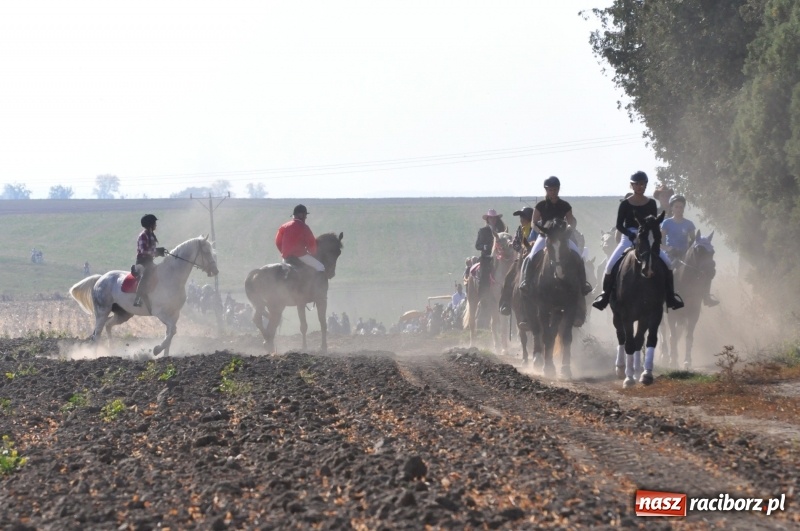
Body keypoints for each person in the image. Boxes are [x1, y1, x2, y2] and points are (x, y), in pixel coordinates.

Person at [592, 171, 684, 311]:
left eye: (642, 184)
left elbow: (653, 223)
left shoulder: (651, 203)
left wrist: (653, 238)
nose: (640, 186)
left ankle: (671, 297)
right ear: (632, 185)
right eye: (636, 184)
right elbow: (619, 225)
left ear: (645, 185)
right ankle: (605, 296)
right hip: (628, 237)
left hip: (647, 237)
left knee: (668, 263)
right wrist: (630, 234)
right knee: (609, 266)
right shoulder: (625, 204)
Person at [518, 177, 592, 325]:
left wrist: (569, 228)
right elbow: (533, 222)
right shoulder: (540, 205)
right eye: (550, 189)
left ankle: (583, 284)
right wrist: (541, 230)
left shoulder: (565, 205)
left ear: (558, 189)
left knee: (578, 255)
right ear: (546, 190)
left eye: (555, 189)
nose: (553, 192)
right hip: (545, 236)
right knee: (530, 257)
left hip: (561, 237)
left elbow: (571, 221)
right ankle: (526, 281)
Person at [661, 195, 719, 306]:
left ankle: (706, 296)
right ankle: (663, 297)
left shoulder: (689, 224)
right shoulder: (666, 223)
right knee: (665, 271)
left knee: (705, 270)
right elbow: (659, 243)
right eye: (676, 207)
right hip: (670, 254)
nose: (679, 209)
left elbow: (694, 241)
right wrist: (670, 249)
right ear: (672, 208)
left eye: (681, 207)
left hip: (685, 254)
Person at [275, 204, 326, 299]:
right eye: (305, 215)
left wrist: (284, 252)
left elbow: (278, 242)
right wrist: (312, 253)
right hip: (300, 255)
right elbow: (311, 243)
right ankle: (320, 294)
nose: (306, 217)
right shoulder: (304, 227)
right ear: (300, 215)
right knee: (321, 267)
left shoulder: (283, 226)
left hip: (286, 257)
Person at [498, 206, 533, 316]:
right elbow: (516, 243)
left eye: (523, 217)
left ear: (529, 218)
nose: (521, 219)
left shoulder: (535, 229)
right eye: (521, 217)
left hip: (534, 258)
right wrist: (521, 249)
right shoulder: (520, 229)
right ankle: (505, 303)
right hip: (520, 259)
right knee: (509, 277)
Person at [133, 214, 166, 309]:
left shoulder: (151, 235)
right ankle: (138, 297)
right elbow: (143, 250)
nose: (156, 225)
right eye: (154, 223)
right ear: (150, 224)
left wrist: (159, 252)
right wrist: (156, 251)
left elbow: (151, 251)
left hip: (149, 261)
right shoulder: (143, 235)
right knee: (147, 274)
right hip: (142, 262)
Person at [474, 209, 506, 295]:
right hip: (487, 257)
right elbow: (477, 245)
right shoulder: (483, 231)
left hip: (500, 257)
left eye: (494, 218)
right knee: (484, 275)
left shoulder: (501, 231)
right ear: (487, 219)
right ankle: (482, 296)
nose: (493, 219)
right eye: (491, 218)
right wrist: (486, 247)